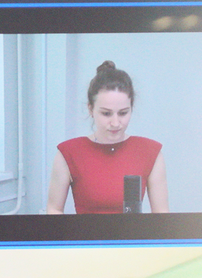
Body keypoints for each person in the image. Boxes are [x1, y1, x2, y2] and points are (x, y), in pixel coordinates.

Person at [46, 61, 170, 214]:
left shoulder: (149, 152)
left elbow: (161, 216)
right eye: (106, 113)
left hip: (132, 230)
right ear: (91, 109)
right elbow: (54, 209)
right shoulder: (69, 153)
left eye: (123, 113)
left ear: (131, 108)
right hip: (85, 230)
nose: (115, 123)